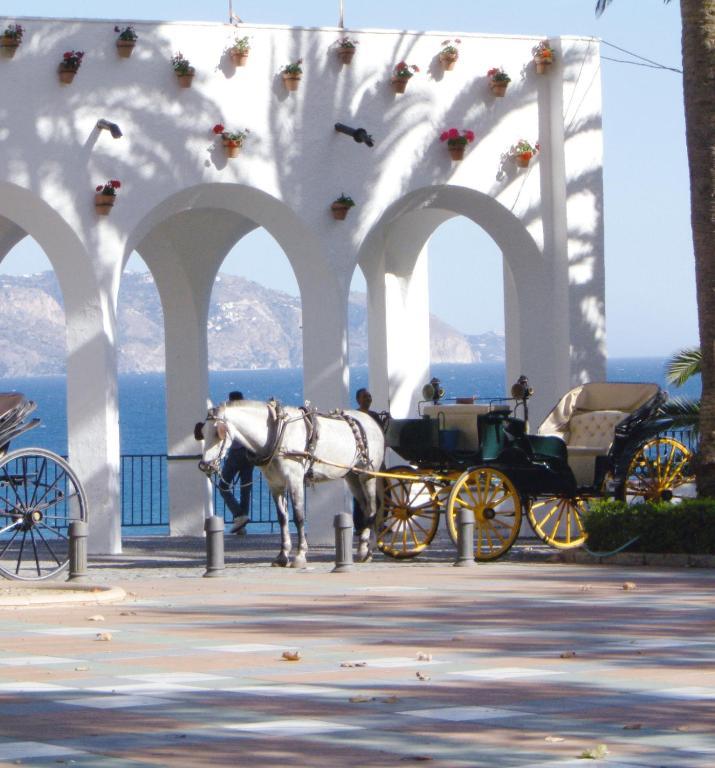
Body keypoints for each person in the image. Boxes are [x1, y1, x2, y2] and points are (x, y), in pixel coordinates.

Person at [219, 391, 254, 534]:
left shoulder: (229, 414)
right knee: (245, 488)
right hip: (249, 453)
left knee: (223, 486)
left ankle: (239, 515)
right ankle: (242, 524)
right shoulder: (248, 414)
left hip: (235, 453)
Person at [352, 388, 383, 533]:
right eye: (365, 396)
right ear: (358, 400)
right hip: (360, 460)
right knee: (360, 493)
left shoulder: (374, 416)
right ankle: (360, 525)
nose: (368, 399)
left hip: (375, 458)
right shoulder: (355, 416)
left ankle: (379, 522)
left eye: (369, 396)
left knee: (383, 494)